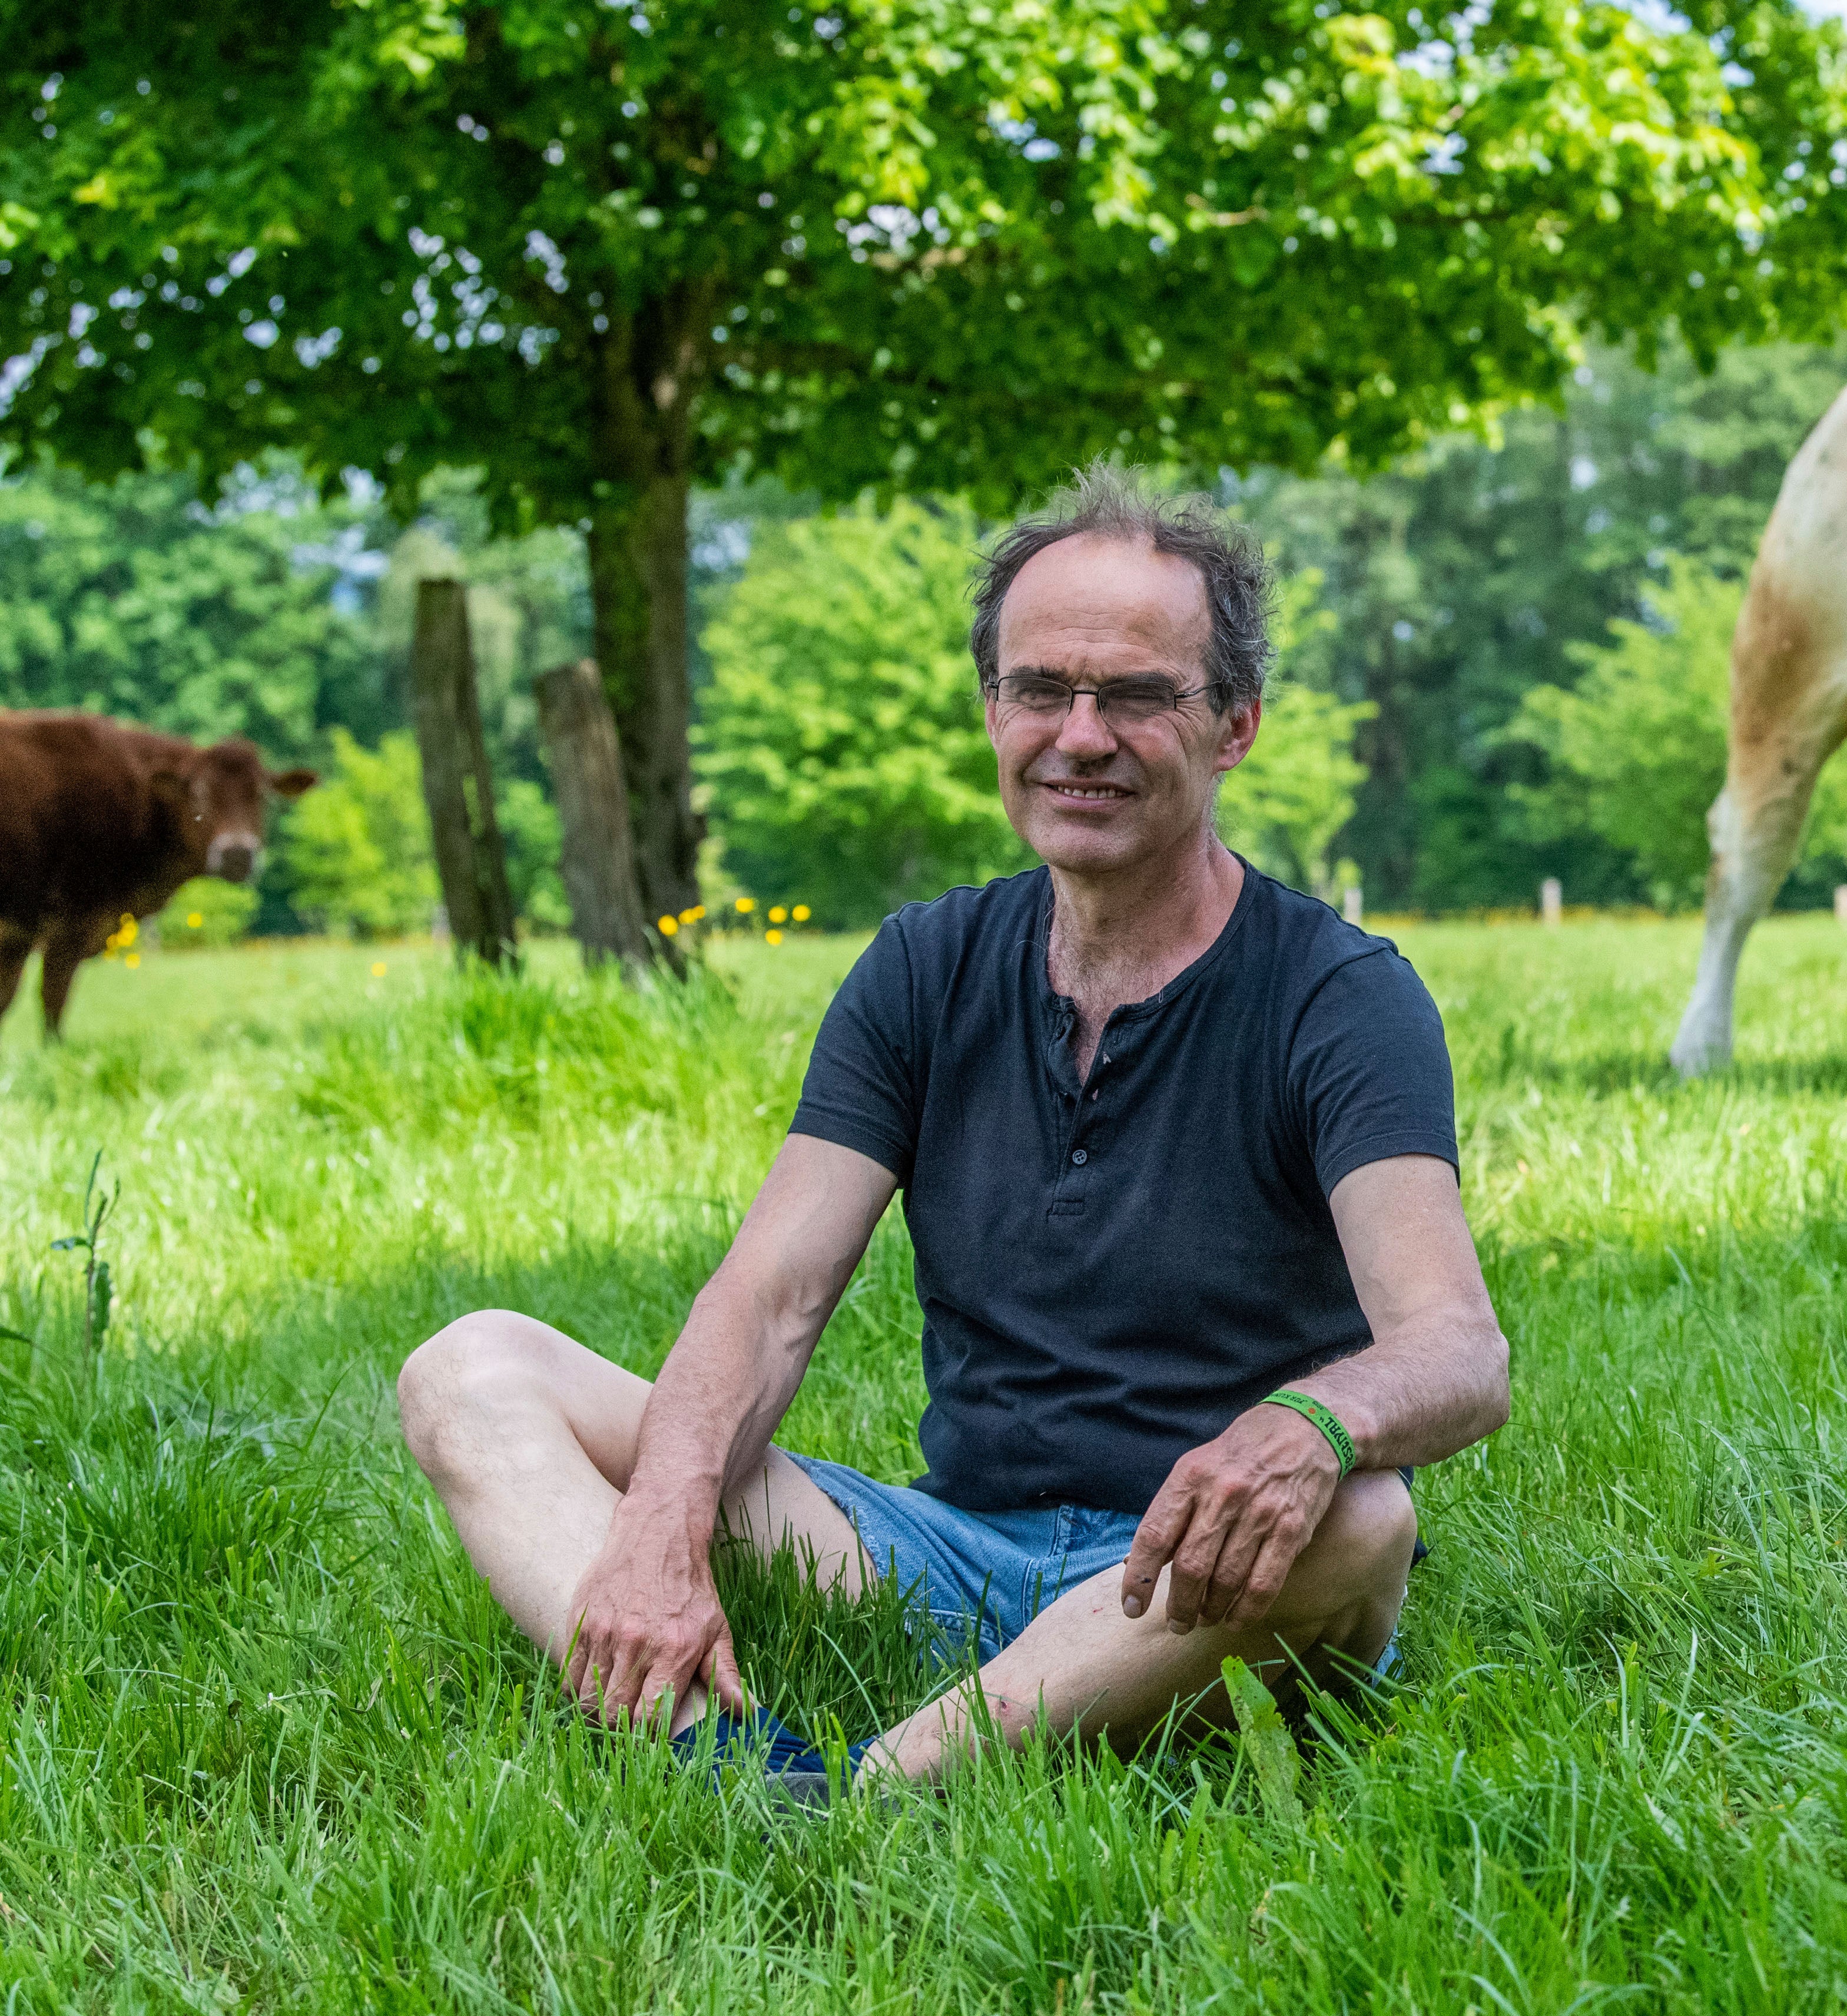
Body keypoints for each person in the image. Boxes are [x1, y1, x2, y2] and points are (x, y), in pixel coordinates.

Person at [396, 464, 1509, 1792]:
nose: (1079, 735)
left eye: (1138, 696)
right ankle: (730, 1767)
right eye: (1040, 689)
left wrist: (1306, 1427)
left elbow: (1457, 1350)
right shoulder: (926, 965)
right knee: (471, 1370)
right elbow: (769, 1300)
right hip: (935, 1550)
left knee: (1365, 1518)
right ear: (993, 709)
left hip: (1199, 1577)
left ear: (1234, 725)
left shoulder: (1338, 994)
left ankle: (880, 1786)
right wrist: (659, 1528)